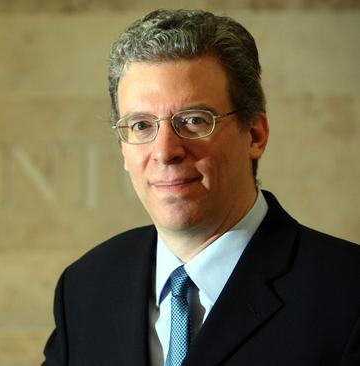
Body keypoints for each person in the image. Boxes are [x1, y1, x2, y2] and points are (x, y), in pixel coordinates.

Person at [42, 9, 360, 366]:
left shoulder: (349, 293)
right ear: (123, 148)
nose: (165, 151)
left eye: (193, 121)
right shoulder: (85, 288)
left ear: (255, 135)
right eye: (142, 125)